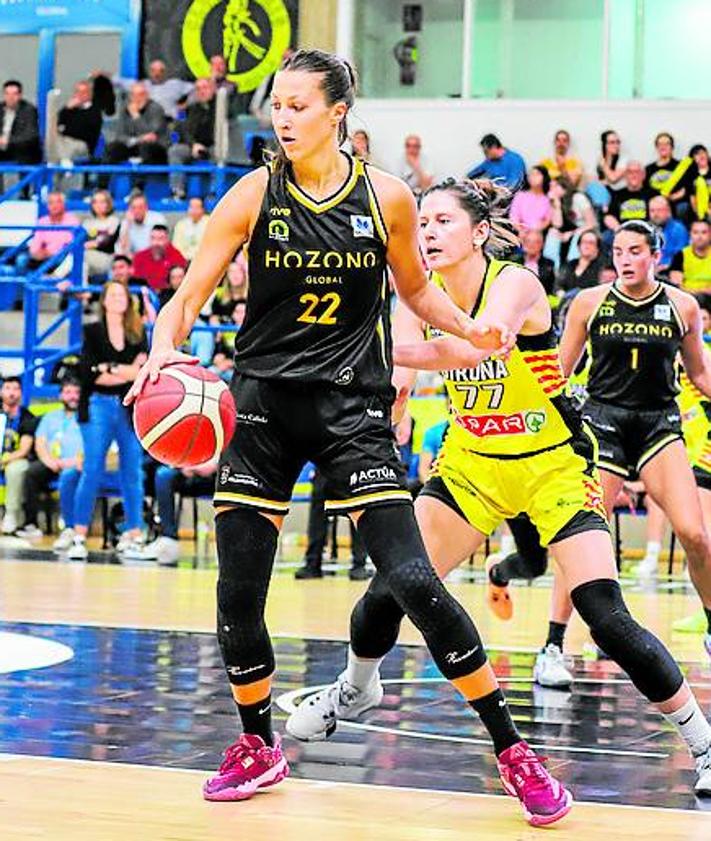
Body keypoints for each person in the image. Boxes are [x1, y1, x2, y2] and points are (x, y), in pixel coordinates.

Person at [123, 49, 571, 824]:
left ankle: (512, 750)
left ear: (337, 113)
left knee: (415, 582)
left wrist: (470, 327)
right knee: (237, 594)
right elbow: (187, 296)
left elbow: (418, 290)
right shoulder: (253, 192)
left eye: (298, 104)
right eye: (277, 104)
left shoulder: (387, 197)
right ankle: (258, 745)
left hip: (350, 410)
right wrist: (163, 345)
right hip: (261, 407)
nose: (283, 116)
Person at [285, 181, 711, 802]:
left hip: (553, 466)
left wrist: (360, 348)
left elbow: (476, 340)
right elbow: (408, 368)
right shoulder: (414, 294)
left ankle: (702, 740)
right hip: (472, 466)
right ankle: (356, 686)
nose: (426, 232)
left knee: (606, 617)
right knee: (392, 587)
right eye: (422, 222)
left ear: (479, 232)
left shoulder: (513, 283)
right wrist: (394, 395)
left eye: (442, 222)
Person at [558, 220, 711, 663]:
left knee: (695, 534)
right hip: (602, 422)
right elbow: (559, 372)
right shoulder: (589, 302)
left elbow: (698, 374)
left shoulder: (682, 306)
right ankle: (554, 642)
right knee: (582, 533)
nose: (624, 260)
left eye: (635, 251)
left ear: (656, 257)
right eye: (619, 251)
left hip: (658, 424)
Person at [68, 282, 148, 560]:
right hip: (97, 405)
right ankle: (78, 535)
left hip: (128, 407)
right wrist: (123, 371)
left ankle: (135, 535)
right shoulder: (91, 331)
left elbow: (141, 373)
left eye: (122, 295)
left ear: (128, 301)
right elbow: (90, 375)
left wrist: (109, 367)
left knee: (132, 472)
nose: (117, 299)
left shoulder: (138, 333)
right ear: (103, 301)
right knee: (92, 469)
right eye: (112, 295)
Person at [16, 378, 82, 545]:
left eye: (76, 392)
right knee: (31, 472)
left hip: (77, 464)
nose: (72, 396)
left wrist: (72, 462)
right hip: (52, 463)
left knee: (70, 476)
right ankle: (31, 524)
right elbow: (40, 442)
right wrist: (50, 461)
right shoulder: (50, 417)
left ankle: (72, 527)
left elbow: (93, 447)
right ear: (60, 395)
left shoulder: (86, 418)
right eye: (68, 392)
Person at [293, 467, 371, 580]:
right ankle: (313, 564)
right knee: (320, 513)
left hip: (341, 465)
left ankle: (358, 565)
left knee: (356, 512)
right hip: (332, 466)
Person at [137, 459, 218, 565]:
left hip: (220, 471)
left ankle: (227, 544)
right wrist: (183, 465)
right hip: (186, 467)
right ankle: (168, 538)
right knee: (163, 475)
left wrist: (216, 465)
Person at [0, 376, 38, 534]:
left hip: (17, 460)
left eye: (15, 389)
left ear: (21, 393)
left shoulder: (27, 417)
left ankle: (11, 514)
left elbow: (24, 450)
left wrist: (5, 459)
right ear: (1, 391)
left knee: (15, 469)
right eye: (8, 388)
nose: (11, 393)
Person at [168, 77, 217, 198]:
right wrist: (193, 144)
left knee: (218, 152)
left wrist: (202, 145)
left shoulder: (221, 107)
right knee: (175, 151)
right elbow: (185, 131)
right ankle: (177, 191)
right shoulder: (192, 108)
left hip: (214, 145)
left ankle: (214, 191)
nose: (201, 91)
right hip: (195, 147)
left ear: (212, 89)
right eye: (198, 89)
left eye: (204, 88)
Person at [104, 82, 169, 167]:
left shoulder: (156, 109)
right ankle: (103, 179)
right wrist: (138, 139)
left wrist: (136, 116)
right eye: (134, 95)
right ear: (131, 97)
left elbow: (152, 134)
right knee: (112, 148)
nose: (138, 98)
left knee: (145, 147)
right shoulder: (125, 111)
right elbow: (120, 135)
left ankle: (141, 179)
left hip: (156, 148)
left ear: (147, 95)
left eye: (141, 95)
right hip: (133, 145)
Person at [56, 76, 114, 162]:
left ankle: (65, 170)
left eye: (83, 93)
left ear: (90, 95)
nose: (79, 95)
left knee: (66, 149)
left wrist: (64, 130)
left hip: (82, 145)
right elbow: (58, 123)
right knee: (51, 143)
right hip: (65, 142)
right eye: (77, 92)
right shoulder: (70, 110)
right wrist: (66, 109)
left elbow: (82, 132)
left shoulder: (94, 112)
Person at [27, 192, 80, 277]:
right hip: (43, 255)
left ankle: (48, 282)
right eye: (51, 202)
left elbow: (68, 245)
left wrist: (49, 252)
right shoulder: (42, 221)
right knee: (21, 260)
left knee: (62, 259)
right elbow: (35, 246)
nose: (54, 205)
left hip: (61, 256)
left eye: (58, 202)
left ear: (63, 204)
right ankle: (22, 288)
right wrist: (39, 252)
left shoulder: (72, 221)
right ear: (47, 206)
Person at [0, 79, 41, 169]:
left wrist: (8, 140)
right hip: (3, 149)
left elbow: (30, 135)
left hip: (22, 150)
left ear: (20, 95)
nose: (10, 97)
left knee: (26, 153)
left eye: (14, 94)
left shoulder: (29, 110)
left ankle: (24, 183)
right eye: (7, 94)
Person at [132, 225, 187, 292]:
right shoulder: (139, 257)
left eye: (160, 239)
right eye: (153, 238)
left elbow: (181, 284)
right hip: (145, 296)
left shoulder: (177, 257)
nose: (156, 243)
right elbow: (136, 283)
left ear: (167, 240)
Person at [82, 190, 120, 281]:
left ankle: (57, 275)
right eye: (95, 202)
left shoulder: (113, 221)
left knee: (82, 255)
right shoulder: (87, 223)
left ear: (108, 204)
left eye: (102, 202)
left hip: (107, 259)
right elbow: (82, 242)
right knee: (81, 261)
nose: (98, 205)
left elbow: (108, 242)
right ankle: (83, 289)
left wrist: (92, 244)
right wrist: (92, 244)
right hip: (89, 259)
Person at [603, 161, 651, 230]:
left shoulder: (652, 194)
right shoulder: (617, 195)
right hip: (622, 231)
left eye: (637, 172)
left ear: (643, 175)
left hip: (646, 231)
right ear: (625, 176)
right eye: (630, 172)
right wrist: (619, 230)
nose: (633, 175)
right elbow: (608, 217)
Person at [648, 195, 688, 274]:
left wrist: (663, 266)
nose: (655, 214)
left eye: (659, 210)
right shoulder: (645, 229)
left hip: (671, 270)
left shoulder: (678, 229)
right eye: (652, 211)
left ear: (668, 211)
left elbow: (680, 256)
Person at [556, 229, 604, 293]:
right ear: (578, 246)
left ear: (597, 248)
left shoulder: (602, 268)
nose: (586, 246)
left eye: (591, 243)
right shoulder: (569, 265)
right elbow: (558, 285)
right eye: (584, 242)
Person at [670, 219, 711, 294]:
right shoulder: (680, 255)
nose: (699, 236)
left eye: (704, 232)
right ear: (690, 234)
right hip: (688, 297)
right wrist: (697, 292)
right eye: (695, 232)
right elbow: (676, 285)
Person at [508, 166, 551, 233]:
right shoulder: (520, 196)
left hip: (540, 234)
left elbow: (548, 220)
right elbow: (513, 217)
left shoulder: (548, 198)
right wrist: (521, 231)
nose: (533, 177)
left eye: (537, 174)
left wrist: (536, 231)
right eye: (530, 174)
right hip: (521, 234)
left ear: (544, 177)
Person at [514, 229, 555, 297]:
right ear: (523, 244)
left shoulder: (549, 265)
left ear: (542, 244)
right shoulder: (514, 262)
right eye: (528, 241)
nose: (531, 245)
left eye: (536, 242)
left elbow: (550, 288)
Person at [172, 197, 210, 261]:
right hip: (184, 260)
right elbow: (176, 247)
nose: (194, 210)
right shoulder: (180, 225)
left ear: (203, 209)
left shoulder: (210, 222)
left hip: (204, 260)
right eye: (191, 207)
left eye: (197, 207)